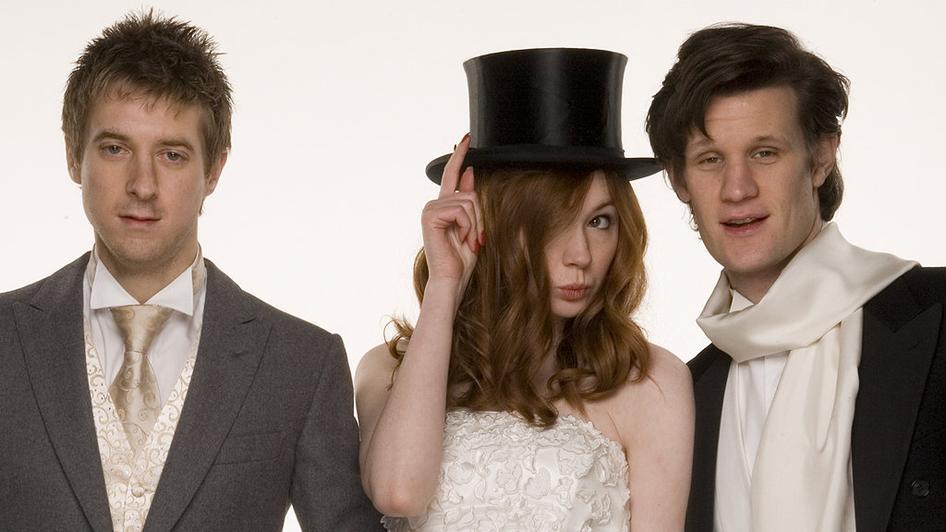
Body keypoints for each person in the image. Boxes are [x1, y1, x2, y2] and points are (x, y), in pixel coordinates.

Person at [0, 11, 380, 531]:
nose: (142, 185)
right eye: (115, 148)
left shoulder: (300, 363)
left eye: (172, 155)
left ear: (214, 169)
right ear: (72, 155)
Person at [355, 48, 694, 531]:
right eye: (551, 224)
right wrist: (446, 284)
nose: (580, 255)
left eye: (599, 221)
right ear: (492, 223)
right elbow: (399, 492)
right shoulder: (387, 369)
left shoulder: (651, 381)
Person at [646, 22, 946, 532]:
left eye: (764, 152)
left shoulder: (935, 316)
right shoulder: (683, 398)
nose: (737, 189)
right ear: (679, 181)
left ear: (821, 156)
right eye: (710, 159)